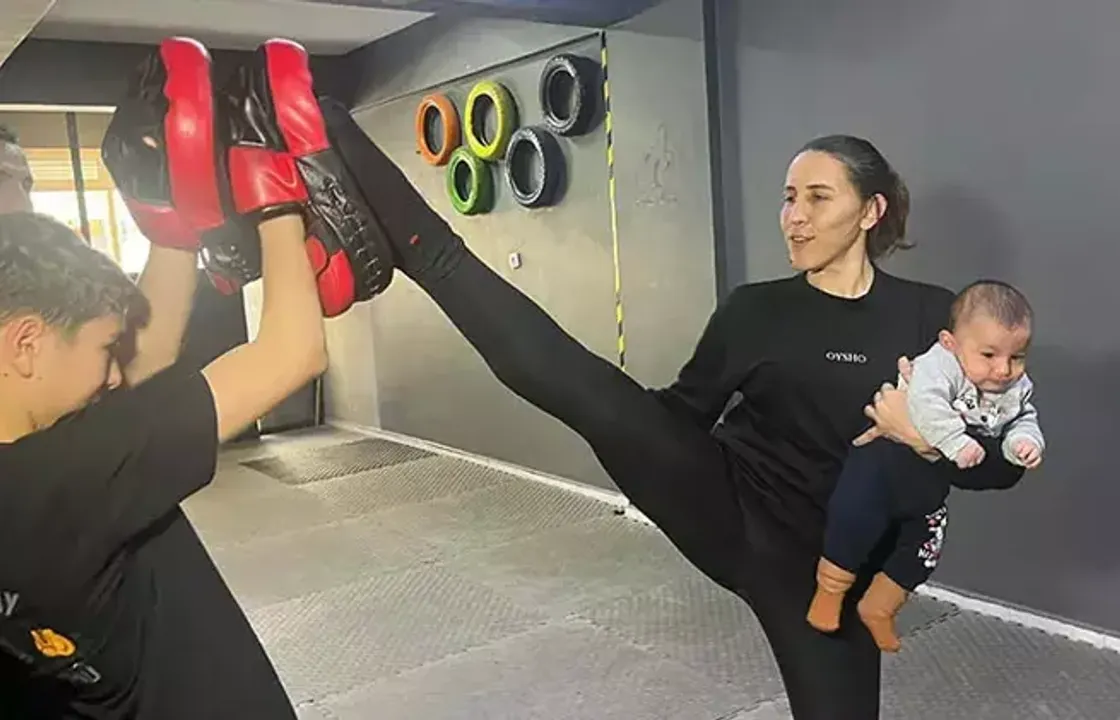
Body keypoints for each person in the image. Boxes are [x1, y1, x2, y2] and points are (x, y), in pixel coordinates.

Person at [321, 106, 1028, 719]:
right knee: (583, 390)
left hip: (831, 567)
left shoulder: (933, 318)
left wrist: (923, 439)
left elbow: (1002, 466)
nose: (795, 217)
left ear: (871, 212)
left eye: (818, 198)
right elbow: (687, 412)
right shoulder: (756, 311)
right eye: (789, 198)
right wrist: (631, 428)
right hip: (736, 513)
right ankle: (385, 204)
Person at [0, 37, 348, 718]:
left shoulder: (37, 458)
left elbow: (144, 354)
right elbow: (292, 353)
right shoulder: (68, 479)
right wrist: (276, 196)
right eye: (103, 350)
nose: (113, 375)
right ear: (26, 343)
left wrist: (173, 215)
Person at [807, 280, 1045, 648]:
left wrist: (1023, 443)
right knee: (851, 524)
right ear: (951, 343)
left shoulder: (1014, 385)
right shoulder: (939, 365)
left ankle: (880, 607)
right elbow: (925, 404)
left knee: (923, 551)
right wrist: (954, 442)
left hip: (927, 482)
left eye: (1017, 357)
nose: (1003, 370)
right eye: (989, 355)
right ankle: (829, 593)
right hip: (880, 468)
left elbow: (1022, 417)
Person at [0, 125, 34, 214]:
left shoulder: (16, 151)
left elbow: (28, 180)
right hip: (21, 207)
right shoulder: (18, 151)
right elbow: (28, 181)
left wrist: (7, 170)